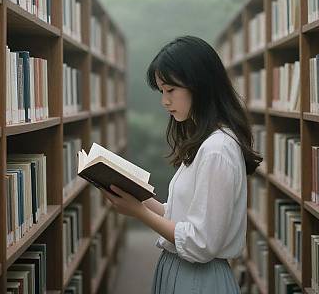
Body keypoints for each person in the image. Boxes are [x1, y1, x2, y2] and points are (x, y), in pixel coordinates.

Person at [102, 36, 263, 293]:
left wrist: (138, 212)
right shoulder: (205, 142)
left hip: (198, 278)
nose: (164, 101)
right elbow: (185, 217)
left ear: (199, 85)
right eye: (161, 91)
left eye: (170, 90)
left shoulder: (216, 150)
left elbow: (200, 242)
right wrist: (139, 198)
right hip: (183, 272)